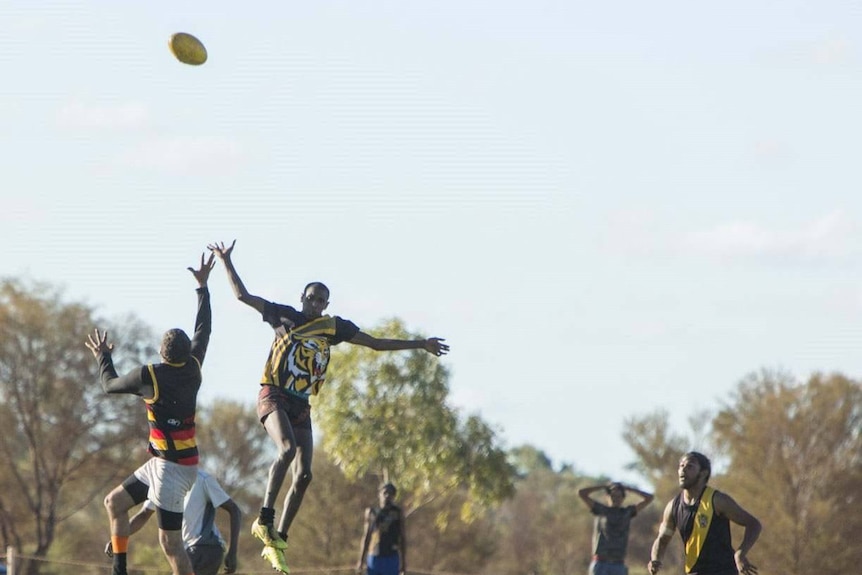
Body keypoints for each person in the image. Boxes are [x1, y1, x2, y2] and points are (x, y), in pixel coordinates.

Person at [207, 239, 448, 573]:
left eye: (321, 300)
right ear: (302, 298)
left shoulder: (334, 327)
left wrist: (420, 344)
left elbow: (375, 344)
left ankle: (278, 539)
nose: (315, 304)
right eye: (311, 297)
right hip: (273, 394)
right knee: (287, 450)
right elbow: (243, 297)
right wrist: (225, 261)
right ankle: (264, 518)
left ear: (326, 303)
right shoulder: (284, 316)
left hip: (301, 404)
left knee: (305, 474)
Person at [85, 253, 215, 575]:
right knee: (114, 503)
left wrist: (103, 356)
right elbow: (204, 330)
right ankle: (119, 569)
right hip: (167, 463)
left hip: (173, 469)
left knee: (171, 545)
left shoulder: (150, 376)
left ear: (161, 351)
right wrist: (203, 288)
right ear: (187, 353)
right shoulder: (194, 367)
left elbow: (109, 385)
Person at [104, 469, 242, 575]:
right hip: (185, 551)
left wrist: (233, 552)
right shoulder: (162, 483)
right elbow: (143, 515)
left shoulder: (203, 479)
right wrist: (118, 536)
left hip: (206, 548)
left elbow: (235, 510)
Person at [647, 452, 762, 575]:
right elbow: (662, 539)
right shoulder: (673, 506)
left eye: (690, 466)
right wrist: (655, 559)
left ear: (703, 473)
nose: (683, 470)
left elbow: (753, 524)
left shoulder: (717, 500)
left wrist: (740, 553)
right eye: (681, 466)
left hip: (723, 571)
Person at [578, 481, 654, 575]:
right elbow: (582, 493)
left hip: (618, 564)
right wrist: (604, 486)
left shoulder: (627, 512)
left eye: (619, 496)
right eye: (613, 496)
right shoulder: (601, 510)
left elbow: (649, 498)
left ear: (623, 498)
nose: (615, 499)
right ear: (608, 497)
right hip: (601, 563)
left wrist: (630, 489)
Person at [356, 482, 407, 575]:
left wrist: (403, 563)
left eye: (391, 493)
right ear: (379, 494)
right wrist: (361, 561)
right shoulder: (371, 512)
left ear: (394, 496)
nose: (387, 496)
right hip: (374, 557)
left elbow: (402, 538)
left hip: (391, 557)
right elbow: (366, 536)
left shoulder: (397, 513)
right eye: (385, 493)